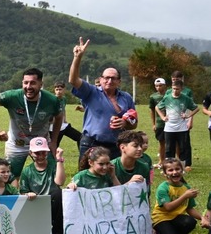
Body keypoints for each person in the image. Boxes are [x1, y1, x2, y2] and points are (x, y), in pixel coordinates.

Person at [68, 38, 138, 171]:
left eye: (113, 78)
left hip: (115, 145)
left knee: (112, 178)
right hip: (91, 143)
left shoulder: (126, 97)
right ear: (100, 80)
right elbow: (73, 80)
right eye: (106, 77)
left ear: (119, 81)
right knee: (86, 178)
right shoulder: (91, 92)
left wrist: (124, 124)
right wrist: (77, 57)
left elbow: (134, 123)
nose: (109, 80)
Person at [0, 68, 61, 180]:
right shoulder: (12, 96)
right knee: (10, 178)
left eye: (33, 83)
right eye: (26, 83)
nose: (28, 87)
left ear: (41, 84)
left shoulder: (51, 100)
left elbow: (59, 117)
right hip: (17, 144)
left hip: (42, 144)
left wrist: (53, 141)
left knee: (51, 177)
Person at [19, 137, 66, 234]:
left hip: (52, 201)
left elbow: (60, 182)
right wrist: (28, 193)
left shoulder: (53, 165)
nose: (40, 156)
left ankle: (58, 233)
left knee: (59, 193)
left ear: (47, 153)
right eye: (37, 153)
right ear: (30, 153)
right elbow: (23, 191)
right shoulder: (27, 171)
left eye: (43, 153)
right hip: (36, 202)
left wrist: (59, 160)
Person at [151, 157, 202, 234]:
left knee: (190, 222)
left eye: (177, 169)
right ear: (165, 174)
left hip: (176, 217)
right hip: (161, 218)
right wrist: (185, 196)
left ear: (182, 171)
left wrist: (202, 218)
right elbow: (168, 207)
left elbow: (189, 208)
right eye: (170, 170)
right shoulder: (163, 188)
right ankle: (155, 232)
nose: (175, 172)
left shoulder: (186, 187)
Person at [157, 79, 198, 169]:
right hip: (169, 127)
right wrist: (163, 117)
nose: (175, 91)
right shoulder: (167, 98)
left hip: (182, 128)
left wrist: (188, 115)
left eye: (177, 89)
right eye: (173, 89)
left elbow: (196, 108)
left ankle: (182, 168)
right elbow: (157, 107)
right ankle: (168, 168)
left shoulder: (186, 98)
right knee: (169, 149)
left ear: (181, 89)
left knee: (183, 149)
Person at [53, 81, 82, 149]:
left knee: (80, 137)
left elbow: (63, 109)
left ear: (64, 90)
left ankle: (82, 157)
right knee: (54, 146)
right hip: (54, 127)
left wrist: (65, 119)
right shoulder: (52, 100)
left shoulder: (64, 99)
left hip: (64, 126)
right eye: (57, 90)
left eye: (60, 89)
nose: (58, 91)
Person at [148, 77, 168, 161]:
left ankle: (175, 160)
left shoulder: (169, 95)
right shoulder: (153, 97)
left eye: (160, 85)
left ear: (165, 86)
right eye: (156, 86)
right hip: (160, 123)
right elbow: (152, 110)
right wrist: (153, 124)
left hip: (171, 122)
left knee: (174, 143)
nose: (158, 87)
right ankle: (161, 161)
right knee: (161, 142)